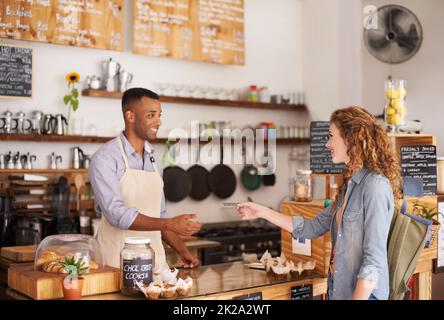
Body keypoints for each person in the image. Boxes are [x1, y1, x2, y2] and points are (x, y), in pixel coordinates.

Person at [236, 106, 402, 300]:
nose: (327, 144)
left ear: (351, 137)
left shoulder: (374, 186)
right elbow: (311, 228)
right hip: (340, 292)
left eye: (331, 136)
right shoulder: (349, 185)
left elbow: (373, 261)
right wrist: (262, 212)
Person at [89, 87, 203, 271]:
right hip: (117, 264)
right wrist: (169, 223)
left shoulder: (154, 157)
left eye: (159, 115)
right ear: (130, 116)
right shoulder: (105, 158)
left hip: (155, 264)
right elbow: (116, 214)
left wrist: (183, 250)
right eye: (151, 115)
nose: (158, 122)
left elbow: (159, 215)